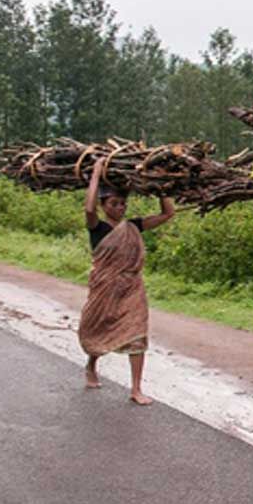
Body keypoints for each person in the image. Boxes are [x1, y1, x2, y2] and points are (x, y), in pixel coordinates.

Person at [79, 159, 174, 405]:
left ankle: (136, 389)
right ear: (103, 205)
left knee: (137, 332)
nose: (120, 208)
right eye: (113, 203)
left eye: (123, 203)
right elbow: (88, 210)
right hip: (105, 288)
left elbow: (167, 214)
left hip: (132, 288)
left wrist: (161, 186)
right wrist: (97, 175)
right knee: (98, 329)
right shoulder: (96, 227)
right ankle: (91, 365)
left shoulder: (133, 226)